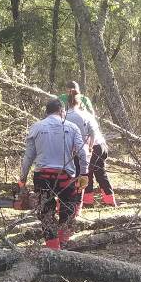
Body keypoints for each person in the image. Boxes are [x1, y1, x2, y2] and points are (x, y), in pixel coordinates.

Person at [20, 99, 88, 250]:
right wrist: (84, 173)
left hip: (42, 176)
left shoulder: (36, 127)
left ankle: (53, 248)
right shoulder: (72, 127)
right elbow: (83, 152)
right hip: (65, 176)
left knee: (46, 212)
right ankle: (63, 243)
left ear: (46, 112)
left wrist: (22, 179)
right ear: (62, 111)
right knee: (68, 209)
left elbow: (28, 157)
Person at [64, 86, 96, 216]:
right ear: (79, 102)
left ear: (68, 102)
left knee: (66, 180)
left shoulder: (64, 115)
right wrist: (90, 146)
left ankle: (64, 206)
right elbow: (93, 132)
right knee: (81, 179)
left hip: (66, 152)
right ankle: (77, 208)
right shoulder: (85, 115)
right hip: (82, 151)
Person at [83, 112, 116, 207]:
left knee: (87, 173)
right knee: (100, 173)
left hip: (94, 146)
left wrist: (89, 148)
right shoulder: (88, 114)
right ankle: (109, 200)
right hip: (101, 145)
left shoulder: (77, 115)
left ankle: (87, 201)